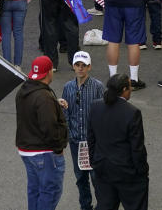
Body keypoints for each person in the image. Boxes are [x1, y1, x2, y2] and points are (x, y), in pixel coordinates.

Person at [87, 73, 149, 210]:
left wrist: (94, 162)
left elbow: (90, 139)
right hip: (126, 172)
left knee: (105, 205)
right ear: (124, 90)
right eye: (130, 87)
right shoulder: (132, 113)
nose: (131, 90)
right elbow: (137, 148)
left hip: (103, 169)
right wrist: (142, 171)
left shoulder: (95, 107)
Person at [15, 55, 68, 210]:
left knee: (35, 190)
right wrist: (59, 149)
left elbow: (33, 110)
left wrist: (53, 104)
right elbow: (50, 129)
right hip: (44, 152)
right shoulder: (44, 97)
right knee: (50, 192)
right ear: (49, 72)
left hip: (27, 150)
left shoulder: (24, 91)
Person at [61, 51, 105, 210]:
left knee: (96, 177)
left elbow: (104, 113)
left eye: (84, 66)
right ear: (73, 66)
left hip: (93, 142)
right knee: (80, 178)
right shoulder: (68, 87)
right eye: (78, 65)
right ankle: (85, 206)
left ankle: (103, 206)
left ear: (89, 67)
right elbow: (65, 113)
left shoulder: (98, 87)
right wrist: (67, 135)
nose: (80, 68)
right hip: (75, 141)